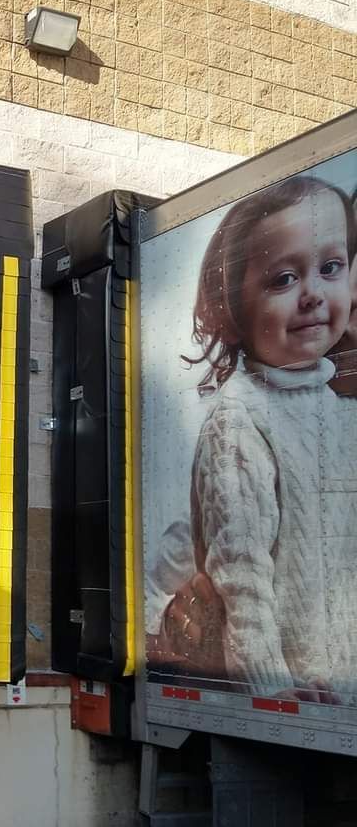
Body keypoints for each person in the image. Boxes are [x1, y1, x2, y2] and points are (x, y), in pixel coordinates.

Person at [150, 209, 357, 676]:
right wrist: (268, 685)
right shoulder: (240, 418)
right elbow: (239, 569)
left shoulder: (336, 405)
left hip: (337, 679)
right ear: (233, 309)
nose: (313, 295)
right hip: (295, 684)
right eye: (285, 278)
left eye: (331, 268)